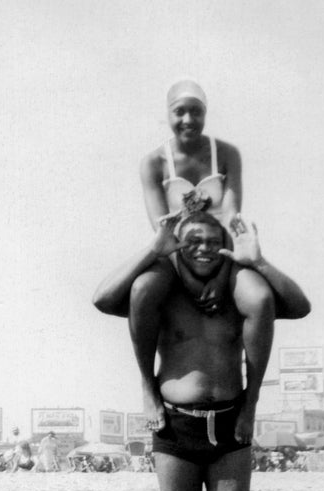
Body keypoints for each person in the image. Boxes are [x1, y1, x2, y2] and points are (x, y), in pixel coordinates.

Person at [93, 211, 310, 491]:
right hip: (176, 424)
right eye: (193, 241)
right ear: (178, 244)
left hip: (231, 424)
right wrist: (152, 250)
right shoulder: (163, 293)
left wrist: (257, 261)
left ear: (225, 246)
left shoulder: (240, 294)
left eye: (212, 241)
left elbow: (298, 306)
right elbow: (103, 299)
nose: (204, 249)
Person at [125, 79, 305, 436]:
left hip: (223, 250)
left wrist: (223, 274)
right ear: (168, 115)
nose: (188, 119)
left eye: (197, 111)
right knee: (142, 290)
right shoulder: (152, 162)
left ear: (206, 113)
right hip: (177, 253)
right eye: (180, 111)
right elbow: (162, 228)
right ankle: (148, 386)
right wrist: (187, 277)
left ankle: (250, 403)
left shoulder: (227, 153)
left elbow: (232, 215)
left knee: (260, 297)